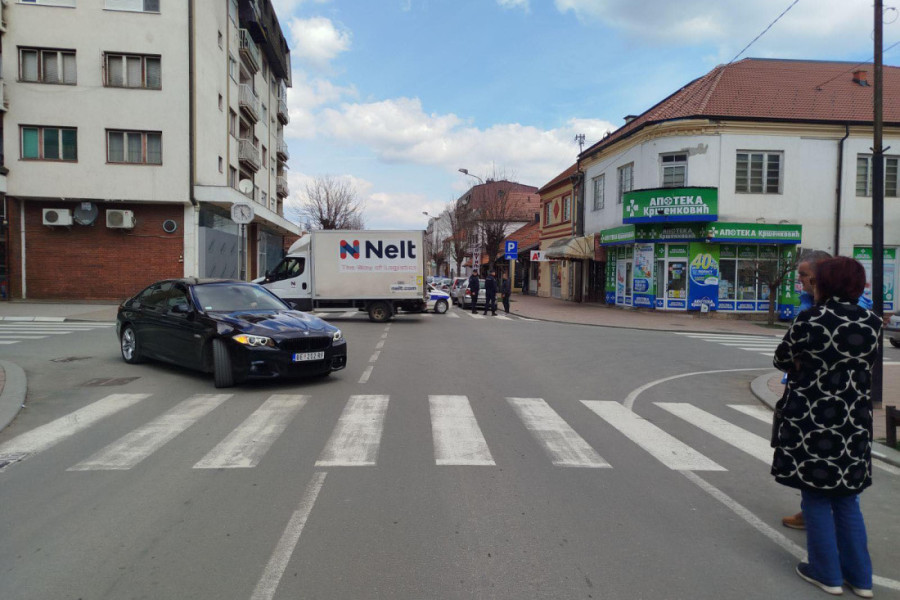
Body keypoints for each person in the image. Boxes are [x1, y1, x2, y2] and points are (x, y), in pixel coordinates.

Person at [771, 256, 882, 598]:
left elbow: (781, 358)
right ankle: (860, 578)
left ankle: (826, 572)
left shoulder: (811, 319)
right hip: (854, 421)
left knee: (816, 496)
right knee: (847, 498)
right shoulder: (872, 322)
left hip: (812, 419)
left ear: (826, 284)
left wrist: (804, 363)